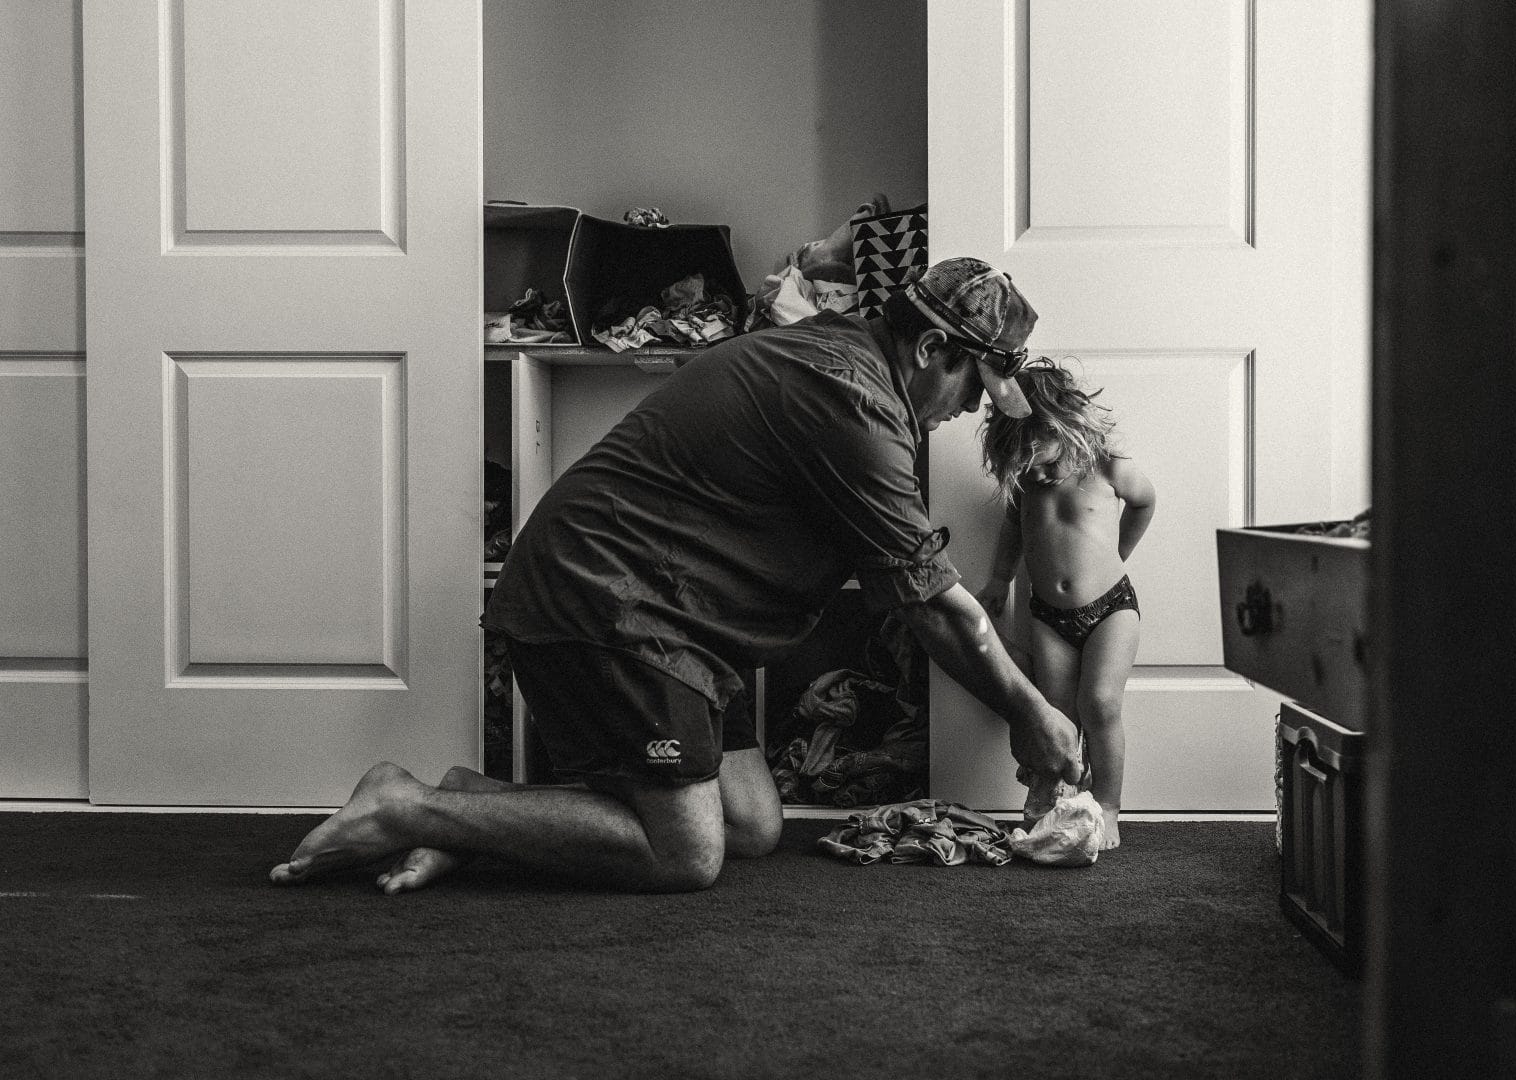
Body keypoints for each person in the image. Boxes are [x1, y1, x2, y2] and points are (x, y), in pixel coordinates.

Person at [270, 257, 1085, 894]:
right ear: (933, 349)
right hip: (609, 604)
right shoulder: (856, 402)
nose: (973, 409)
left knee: (751, 824)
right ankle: (405, 804)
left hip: (682, 634)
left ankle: (468, 810)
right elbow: (935, 610)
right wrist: (1033, 714)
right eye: (974, 387)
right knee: (685, 854)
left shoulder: (853, 370)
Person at [974, 361, 1156, 850]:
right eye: (1025, 464)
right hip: (1048, 615)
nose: (1036, 472)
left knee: (1099, 703)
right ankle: (1065, 806)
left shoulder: (1108, 469)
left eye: (1045, 461)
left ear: (1067, 427)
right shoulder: (1027, 482)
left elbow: (1145, 501)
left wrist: (1119, 554)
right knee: (1057, 714)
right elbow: (1014, 528)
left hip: (1112, 607)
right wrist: (998, 578)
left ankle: (1110, 806)